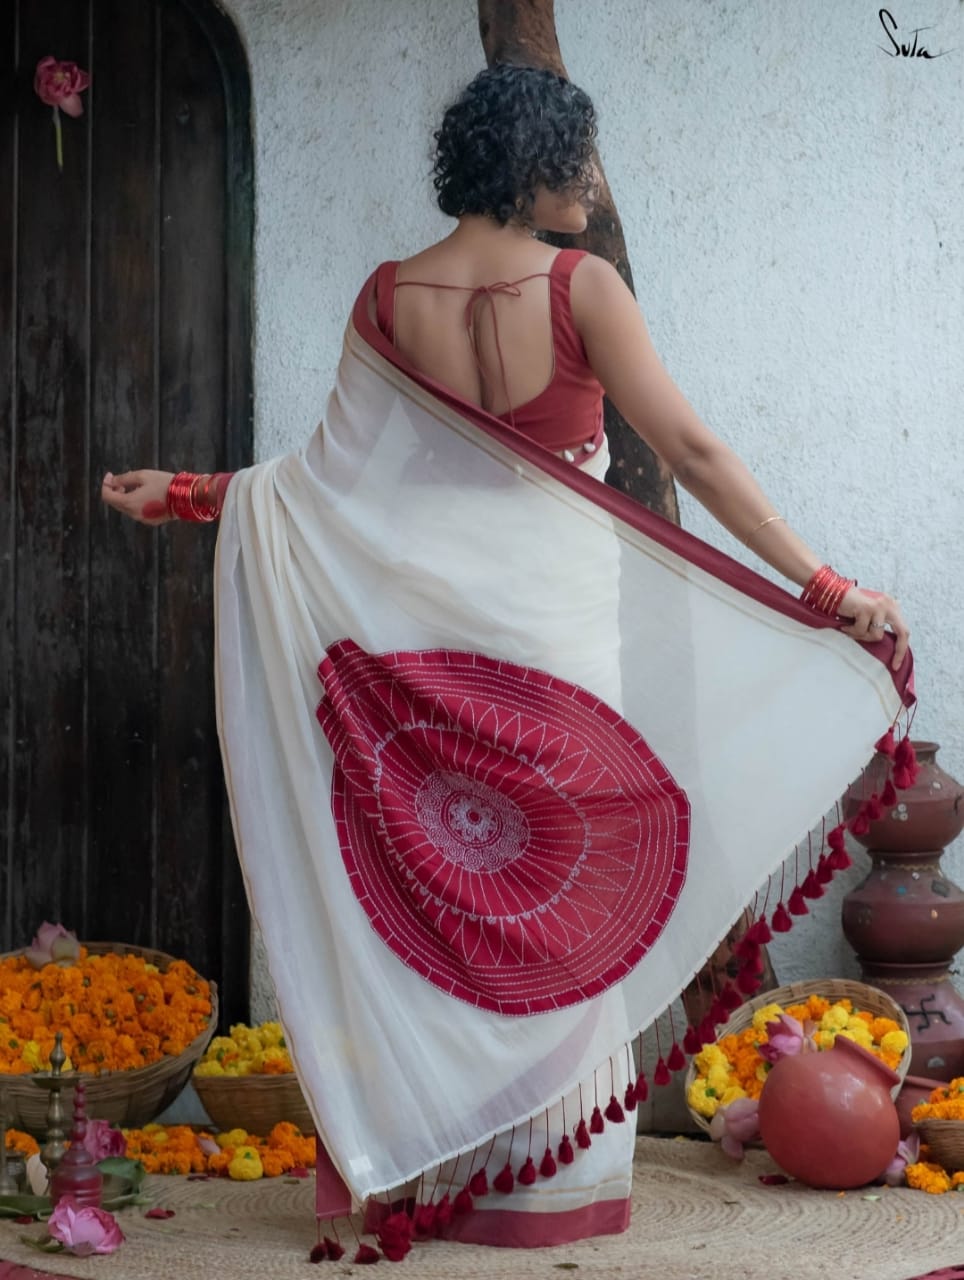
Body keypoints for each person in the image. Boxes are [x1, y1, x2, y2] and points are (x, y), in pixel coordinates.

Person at [102, 65, 912, 1251]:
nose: (586, 182)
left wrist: (184, 493)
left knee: (447, 878)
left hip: (435, 642)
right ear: (531, 166)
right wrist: (821, 582)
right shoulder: (581, 287)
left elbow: (327, 479)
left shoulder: (388, 295)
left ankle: (438, 1162)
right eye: (575, 160)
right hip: (554, 630)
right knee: (570, 879)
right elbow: (685, 443)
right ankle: (544, 1182)